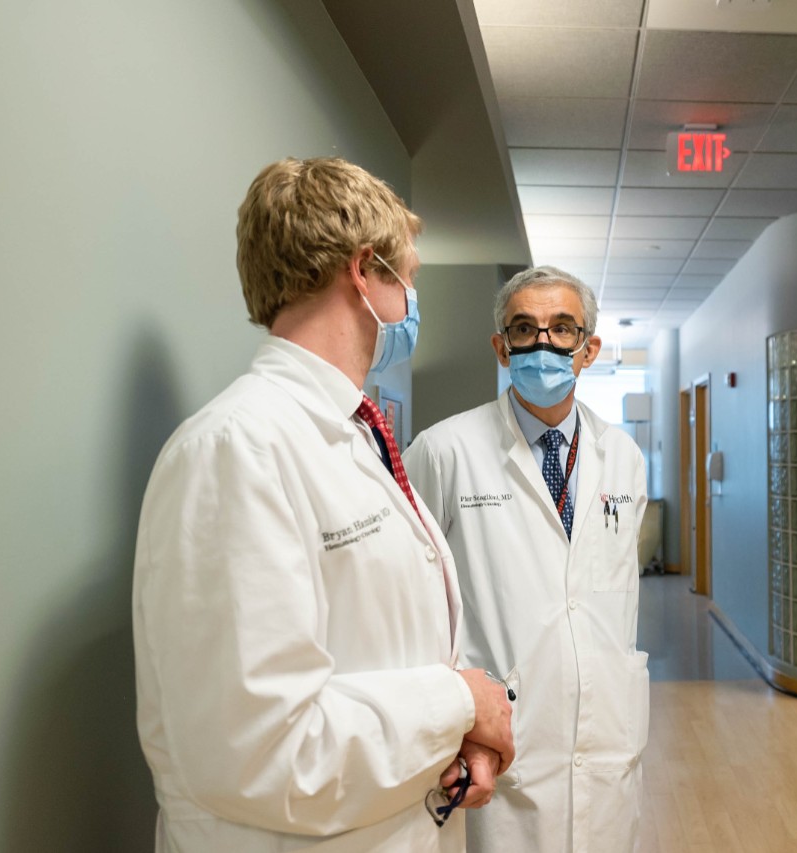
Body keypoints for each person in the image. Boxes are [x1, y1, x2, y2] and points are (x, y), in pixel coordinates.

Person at [132, 156, 514, 853]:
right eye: (411, 280)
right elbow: (264, 749)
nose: (411, 305)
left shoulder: (351, 434)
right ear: (366, 272)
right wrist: (463, 702)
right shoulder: (233, 450)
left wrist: (458, 742)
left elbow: (380, 655)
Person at [402, 266, 649, 853]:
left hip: (607, 728)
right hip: (499, 732)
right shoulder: (444, 451)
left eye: (562, 329)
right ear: (501, 346)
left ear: (588, 349)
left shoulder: (623, 456)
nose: (543, 343)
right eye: (524, 328)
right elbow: (411, 597)